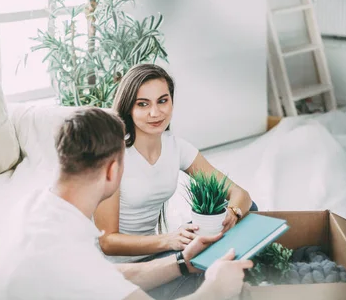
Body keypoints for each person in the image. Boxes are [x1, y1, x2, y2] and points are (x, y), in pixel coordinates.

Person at [0, 107, 253, 300]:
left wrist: (182, 262)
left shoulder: (33, 208)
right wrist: (215, 288)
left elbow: (101, 277)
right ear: (113, 171)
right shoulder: (66, 254)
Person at [95, 64, 256, 265]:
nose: (155, 113)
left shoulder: (176, 147)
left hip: (161, 250)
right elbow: (107, 242)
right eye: (143, 104)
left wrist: (232, 213)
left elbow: (242, 195)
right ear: (128, 108)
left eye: (162, 101)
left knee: (248, 211)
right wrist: (170, 240)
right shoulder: (112, 156)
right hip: (126, 267)